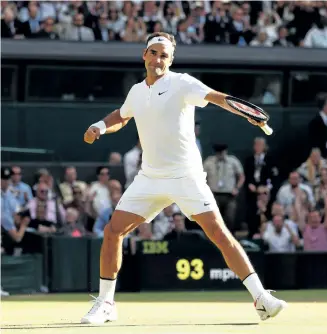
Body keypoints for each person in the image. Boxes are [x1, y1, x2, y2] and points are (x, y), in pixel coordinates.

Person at [82, 32, 286, 325]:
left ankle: (261, 298)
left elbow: (216, 97)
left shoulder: (182, 83)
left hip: (186, 176)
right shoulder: (137, 91)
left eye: (164, 55)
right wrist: (100, 125)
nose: (158, 59)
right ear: (144, 55)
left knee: (218, 233)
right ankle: (105, 304)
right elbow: (123, 115)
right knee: (113, 231)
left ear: (171, 59)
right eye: (153, 53)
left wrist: (244, 113)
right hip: (149, 177)